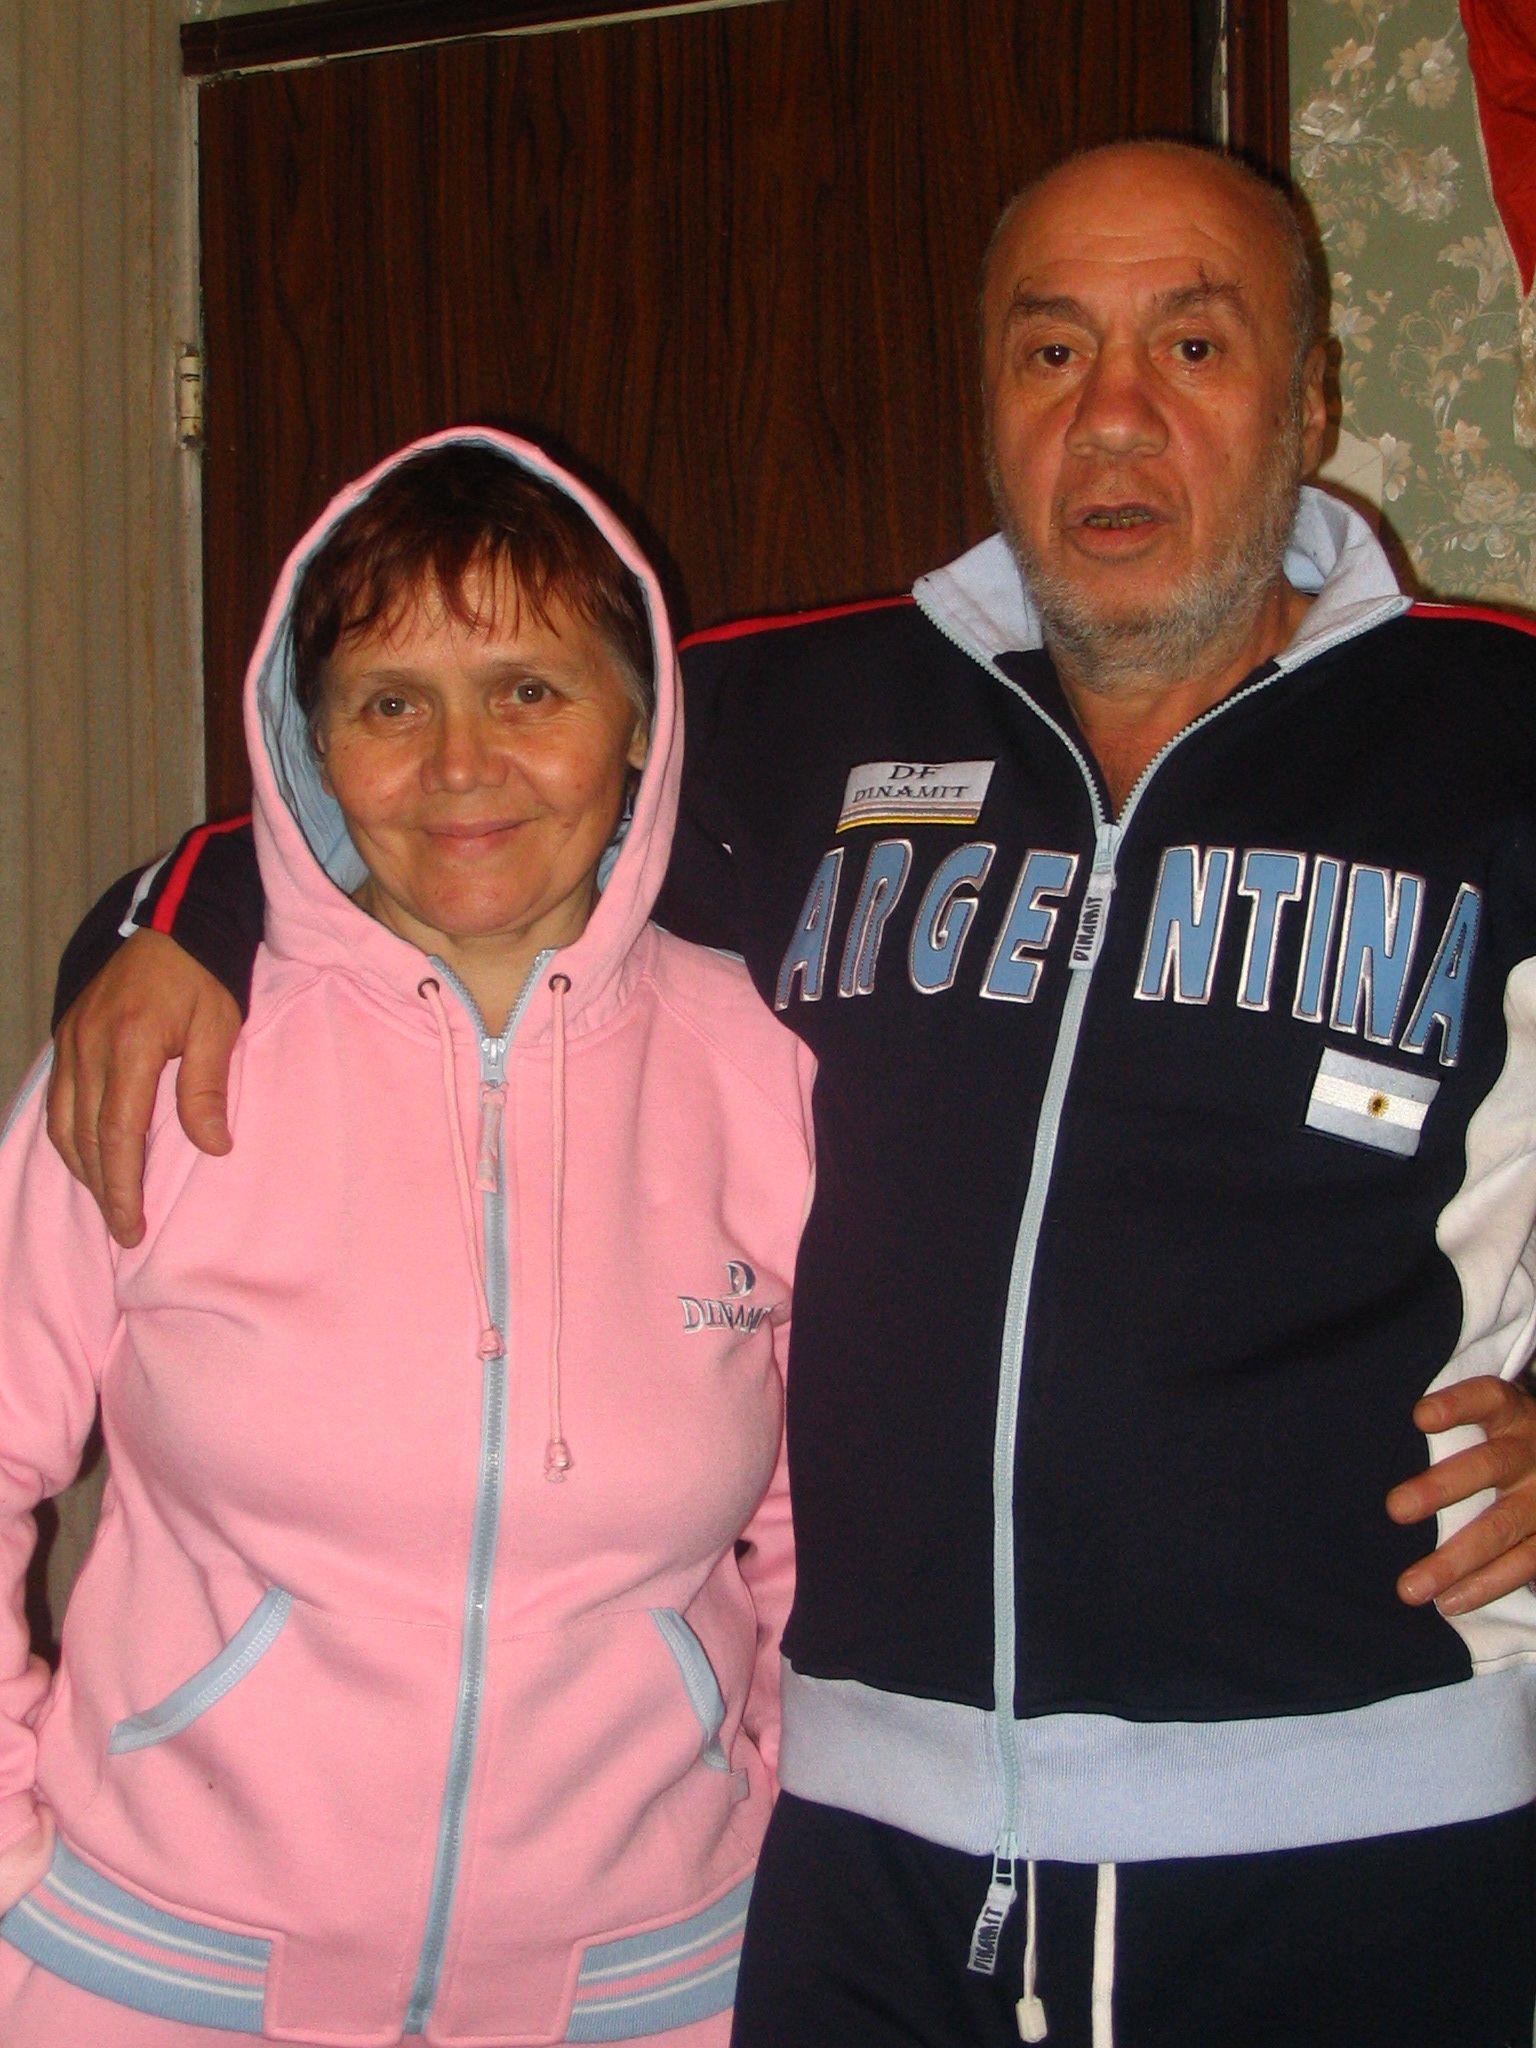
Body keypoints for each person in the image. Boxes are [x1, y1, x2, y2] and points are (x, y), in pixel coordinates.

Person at [44, 143, 1536, 2046]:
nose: (1115, 415)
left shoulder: (1497, 734)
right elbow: (453, 782)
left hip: (1362, 1848)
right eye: (1052, 351)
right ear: (986, 403)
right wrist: (183, 906)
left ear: (1312, 399)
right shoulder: (790, 716)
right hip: (862, 1877)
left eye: (1193, 342)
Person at [0, 428, 811, 2046]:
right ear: (311, 742)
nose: (460, 766)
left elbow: (823, 1533)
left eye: (530, 691)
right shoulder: (161, 1053)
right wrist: (16, 1869)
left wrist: (780, 1843)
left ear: (639, 723)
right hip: (152, 1972)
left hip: (653, 1988)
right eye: (391, 704)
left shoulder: (763, 1067)